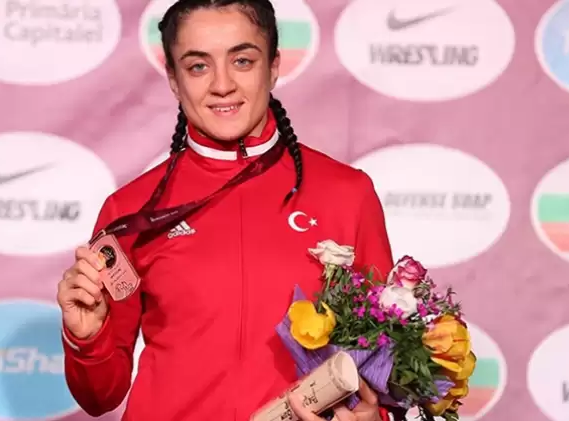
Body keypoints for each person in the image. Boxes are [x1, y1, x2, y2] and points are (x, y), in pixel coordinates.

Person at [56, 0, 395, 420]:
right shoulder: (131, 211)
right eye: (198, 66)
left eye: (242, 61)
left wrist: (373, 417)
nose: (222, 85)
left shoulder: (347, 193)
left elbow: (384, 365)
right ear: (174, 80)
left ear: (273, 66)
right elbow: (100, 397)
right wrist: (86, 338)